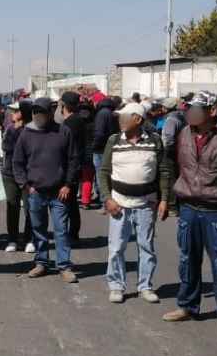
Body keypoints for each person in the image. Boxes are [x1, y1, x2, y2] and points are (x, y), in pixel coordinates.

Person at [163, 91, 217, 334]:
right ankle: (188, 306)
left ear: (211, 111)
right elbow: (177, 165)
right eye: (188, 108)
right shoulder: (183, 134)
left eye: (196, 108)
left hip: (216, 211)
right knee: (187, 258)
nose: (190, 113)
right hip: (189, 209)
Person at [99, 102, 171, 304]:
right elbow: (104, 172)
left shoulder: (155, 141)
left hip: (146, 205)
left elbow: (164, 172)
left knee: (146, 247)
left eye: (124, 117)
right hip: (119, 205)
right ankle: (116, 286)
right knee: (116, 249)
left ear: (137, 120)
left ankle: (145, 286)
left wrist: (164, 199)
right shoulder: (113, 141)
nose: (120, 120)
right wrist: (108, 198)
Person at [13, 96, 80, 283]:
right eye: (35, 112)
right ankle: (41, 262)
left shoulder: (63, 131)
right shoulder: (26, 134)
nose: (37, 115)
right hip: (36, 192)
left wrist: (68, 184)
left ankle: (64, 266)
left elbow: (73, 160)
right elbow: (17, 162)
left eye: (41, 111)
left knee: (61, 230)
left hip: (60, 192)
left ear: (50, 112)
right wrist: (26, 185)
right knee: (38, 230)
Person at [1, 100, 33, 252]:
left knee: (29, 207)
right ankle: (12, 239)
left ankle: (29, 239)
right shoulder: (10, 129)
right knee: (12, 206)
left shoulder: (32, 130)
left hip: (28, 175)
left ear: (23, 114)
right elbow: (6, 147)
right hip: (9, 174)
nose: (12, 113)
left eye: (15, 111)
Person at [59, 92, 89, 245]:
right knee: (71, 203)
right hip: (75, 164)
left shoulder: (71, 123)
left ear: (64, 105)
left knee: (68, 202)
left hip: (70, 166)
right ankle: (73, 232)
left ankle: (72, 233)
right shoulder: (78, 120)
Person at [91, 95, 118, 205]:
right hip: (109, 147)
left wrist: (94, 146)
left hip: (101, 148)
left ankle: (104, 201)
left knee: (101, 175)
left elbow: (99, 133)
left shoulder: (102, 114)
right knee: (107, 174)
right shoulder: (112, 113)